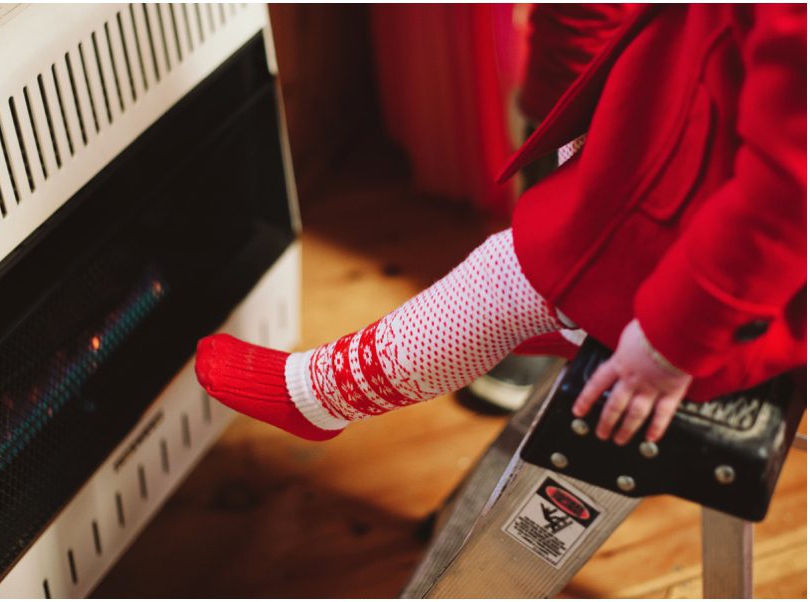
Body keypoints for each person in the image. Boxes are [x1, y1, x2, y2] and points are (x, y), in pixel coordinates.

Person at [194, 4, 806, 446]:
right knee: (570, 183)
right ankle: (550, 320)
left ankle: (321, 397)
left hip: (719, 264)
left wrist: (672, 342)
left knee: (503, 272)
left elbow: (786, 198)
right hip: (686, 136)